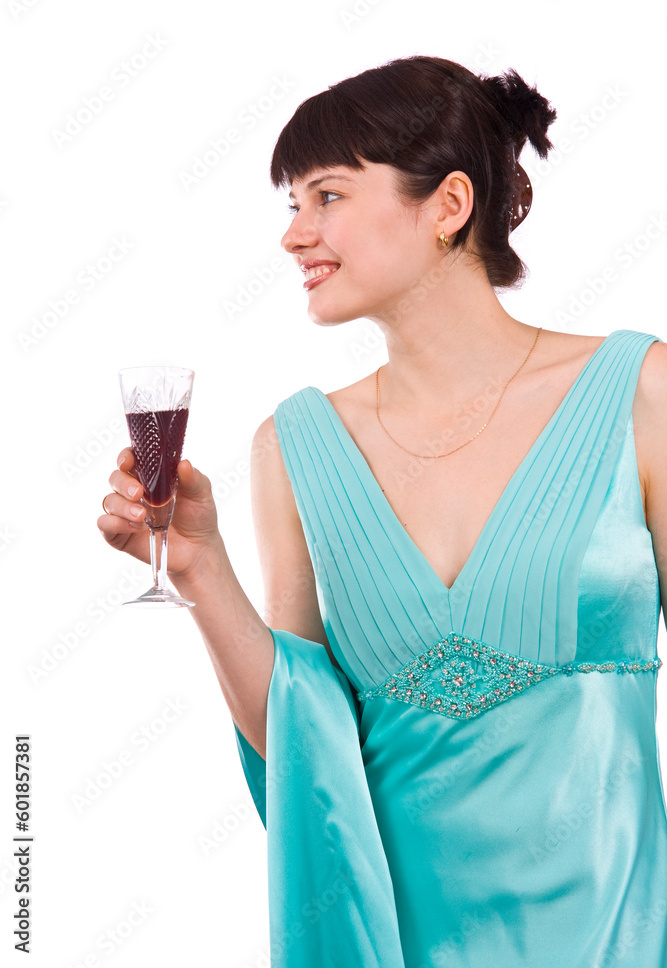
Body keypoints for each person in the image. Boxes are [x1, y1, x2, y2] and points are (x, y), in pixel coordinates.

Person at [98, 56, 667, 967]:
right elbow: (297, 736)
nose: (294, 236)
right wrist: (197, 565)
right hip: (392, 940)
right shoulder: (292, 446)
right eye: (291, 204)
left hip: (615, 936)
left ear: (446, 206)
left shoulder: (640, 391)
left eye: (325, 196)